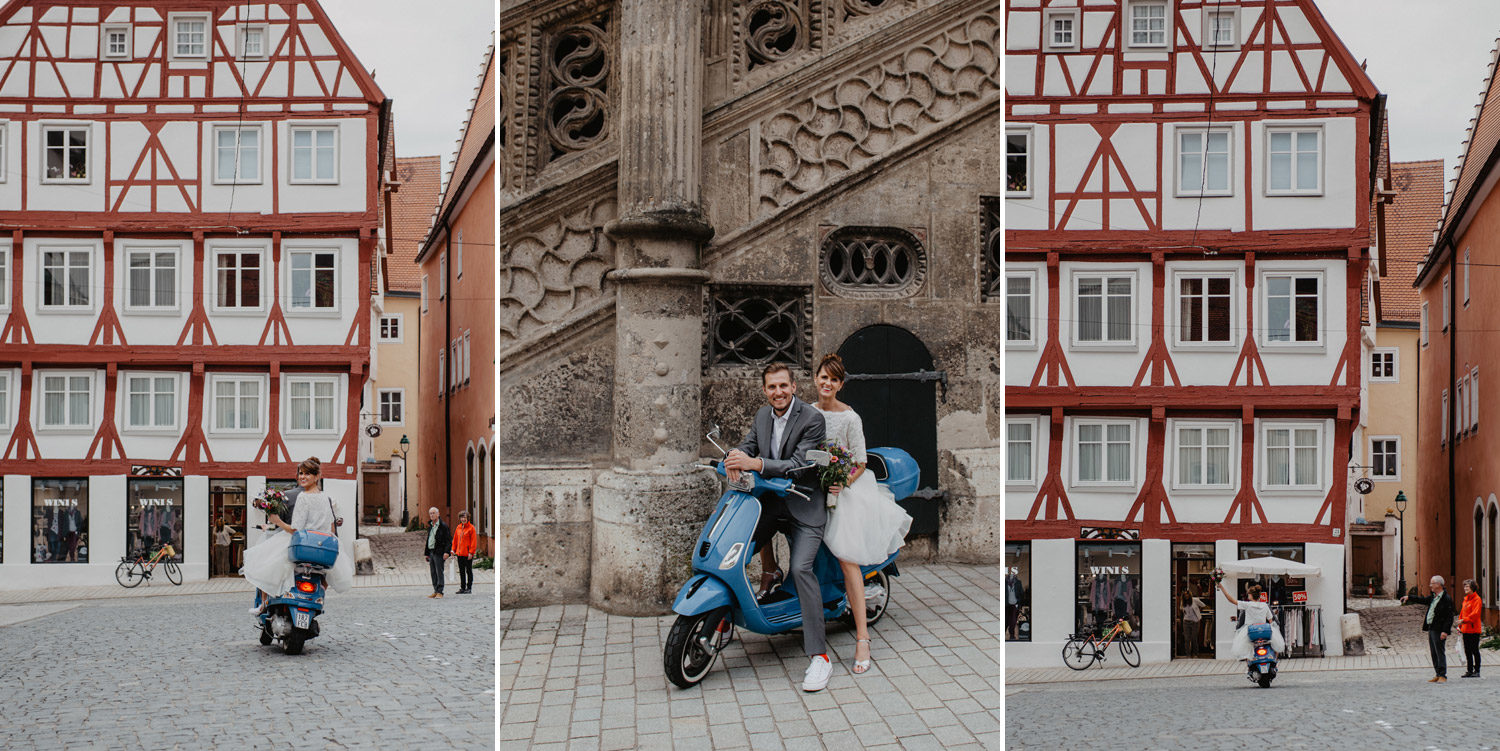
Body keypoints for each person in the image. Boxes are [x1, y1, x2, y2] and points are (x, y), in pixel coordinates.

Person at [724, 362, 832, 692]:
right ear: (765, 391)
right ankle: (723, 618)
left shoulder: (812, 419)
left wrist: (754, 464)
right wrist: (734, 456)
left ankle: (819, 657)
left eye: (783, 386)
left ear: (794, 387)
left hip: (804, 505)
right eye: (772, 387)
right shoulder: (762, 416)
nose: (778, 392)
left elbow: (800, 465)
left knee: (801, 569)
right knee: (735, 549)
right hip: (772, 503)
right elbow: (748, 444)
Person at [812, 354, 912, 675]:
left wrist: (841, 481)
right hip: (814, 486)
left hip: (846, 489)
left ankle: (863, 637)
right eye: (822, 377)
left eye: (833, 379)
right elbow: (803, 449)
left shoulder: (850, 418)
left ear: (840, 385)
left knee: (846, 556)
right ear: (816, 379)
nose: (827, 384)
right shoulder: (808, 412)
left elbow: (860, 461)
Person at [241, 457, 354, 613]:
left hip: (304, 542)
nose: (302, 477)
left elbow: (296, 530)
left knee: (264, 564)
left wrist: (277, 521)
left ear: (317, 476)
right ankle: (320, 589)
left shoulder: (303, 497)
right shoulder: (326, 498)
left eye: (307, 474)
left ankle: (264, 604)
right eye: (301, 473)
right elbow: (330, 528)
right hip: (320, 543)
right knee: (328, 571)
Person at [1402, 575, 1456, 683]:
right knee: (1434, 652)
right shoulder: (1434, 597)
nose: (1430, 585)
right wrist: (1409, 597)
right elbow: (1422, 600)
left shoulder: (1446, 599)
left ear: (1438, 585)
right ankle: (1437, 673)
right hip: (1432, 627)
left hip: (1439, 629)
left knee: (1440, 651)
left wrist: (1445, 631)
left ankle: (1442, 675)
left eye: (1432, 583)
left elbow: (1449, 617)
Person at [1215, 579, 1285, 661]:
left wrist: (1222, 588)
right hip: (1263, 630)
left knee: (1247, 648)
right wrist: (1275, 631)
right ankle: (1274, 661)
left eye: (1248, 594)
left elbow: (1231, 600)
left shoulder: (1247, 605)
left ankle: (1249, 666)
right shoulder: (1264, 605)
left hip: (1251, 631)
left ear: (1251, 595)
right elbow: (1270, 621)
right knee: (1276, 645)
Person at [424, 506, 452, 599]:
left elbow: (448, 540)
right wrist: (427, 553)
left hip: (439, 552)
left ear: (438, 514)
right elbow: (429, 539)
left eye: (433, 513)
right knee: (433, 572)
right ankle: (435, 590)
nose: (432, 515)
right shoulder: (431, 526)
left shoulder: (443, 526)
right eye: (430, 513)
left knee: (439, 571)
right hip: (431, 551)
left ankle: (440, 591)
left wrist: (447, 552)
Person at [1459, 578, 1483, 678]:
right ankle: (1469, 670)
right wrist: (1460, 625)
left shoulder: (1477, 599)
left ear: (1472, 587)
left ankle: (1477, 670)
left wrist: (1464, 620)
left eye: (1467, 586)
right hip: (1466, 629)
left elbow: (1475, 614)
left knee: (1474, 650)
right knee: (1467, 650)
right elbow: (1461, 613)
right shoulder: (1466, 600)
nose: (1465, 588)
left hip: (1474, 629)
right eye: (1464, 586)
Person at [452, 510, 477, 594]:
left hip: (467, 553)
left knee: (468, 571)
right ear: (460, 518)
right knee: (461, 571)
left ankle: (469, 587)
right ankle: (462, 587)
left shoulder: (471, 528)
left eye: (465, 517)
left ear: (468, 518)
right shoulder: (458, 527)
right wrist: (453, 550)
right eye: (462, 517)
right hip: (460, 553)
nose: (463, 519)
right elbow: (455, 540)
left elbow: (473, 541)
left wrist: (471, 552)